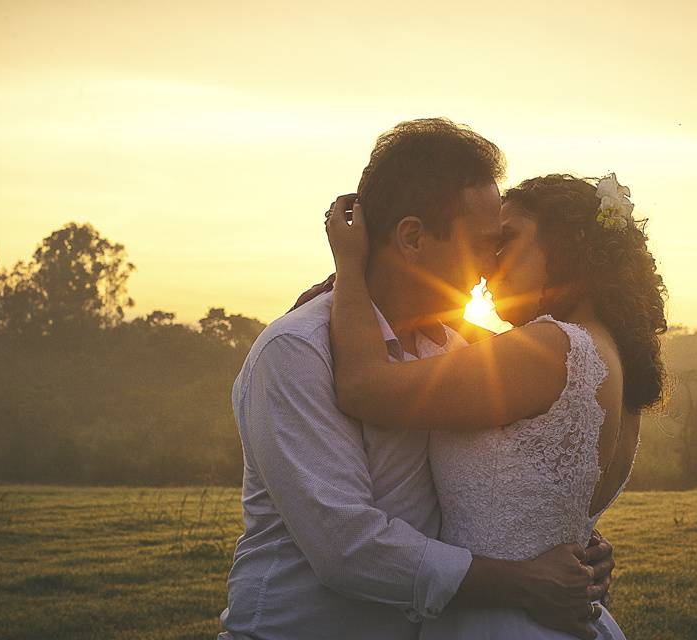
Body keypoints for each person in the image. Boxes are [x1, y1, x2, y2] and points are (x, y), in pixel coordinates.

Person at [219, 119, 614, 640]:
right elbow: (346, 548)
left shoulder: (452, 350)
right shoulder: (297, 351)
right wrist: (520, 580)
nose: (488, 268)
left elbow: (489, 480)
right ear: (412, 238)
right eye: (482, 244)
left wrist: (567, 547)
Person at [324, 171, 668, 639]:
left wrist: (351, 269)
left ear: (568, 247)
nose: (488, 264)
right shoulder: (611, 359)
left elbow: (363, 386)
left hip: (496, 622)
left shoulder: (553, 348)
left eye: (506, 240)